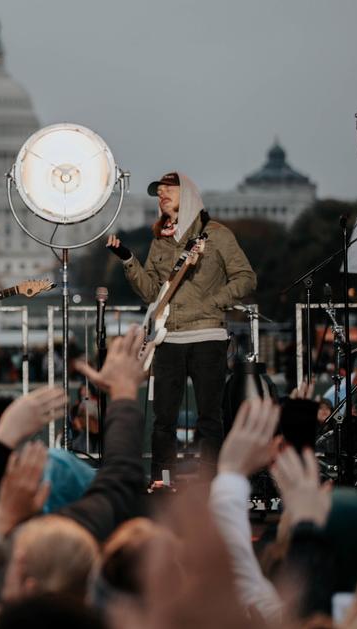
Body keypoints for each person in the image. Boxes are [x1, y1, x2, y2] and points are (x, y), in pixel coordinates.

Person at [106, 171, 256, 481]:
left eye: (167, 190)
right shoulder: (159, 240)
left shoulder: (217, 234)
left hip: (207, 334)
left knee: (209, 418)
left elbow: (246, 278)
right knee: (163, 419)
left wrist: (214, 302)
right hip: (168, 338)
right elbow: (151, 292)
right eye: (158, 192)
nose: (161, 195)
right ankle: (162, 479)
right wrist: (127, 259)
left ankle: (211, 482)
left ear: (186, 194)